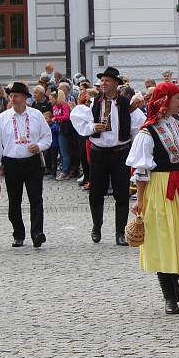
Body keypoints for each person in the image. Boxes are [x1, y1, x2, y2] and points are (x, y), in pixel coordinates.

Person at [127, 82, 179, 315]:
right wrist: (140, 200)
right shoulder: (147, 133)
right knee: (163, 239)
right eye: (178, 99)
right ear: (164, 101)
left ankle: (174, 279)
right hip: (159, 188)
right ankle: (169, 295)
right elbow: (142, 172)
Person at [70, 67, 146, 245]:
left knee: (121, 194)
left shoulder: (127, 105)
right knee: (96, 193)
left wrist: (135, 151)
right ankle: (97, 226)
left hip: (120, 153)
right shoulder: (93, 103)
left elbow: (138, 128)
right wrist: (92, 128)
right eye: (102, 81)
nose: (103, 83)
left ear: (117, 84)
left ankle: (120, 232)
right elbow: (78, 120)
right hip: (99, 152)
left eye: (107, 80)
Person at [0, 82, 52, 248]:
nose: (12, 99)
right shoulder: (3, 118)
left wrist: (38, 146)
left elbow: (47, 137)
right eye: (10, 96)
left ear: (25, 98)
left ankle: (37, 233)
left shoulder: (37, 115)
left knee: (36, 199)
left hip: (32, 163)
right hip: (11, 163)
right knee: (14, 201)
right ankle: (18, 234)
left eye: (15, 96)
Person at [51, 90, 72, 180]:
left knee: (64, 152)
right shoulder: (54, 107)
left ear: (57, 98)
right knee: (61, 152)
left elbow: (67, 116)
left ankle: (65, 171)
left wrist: (56, 118)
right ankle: (64, 169)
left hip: (64, 130)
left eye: (51, 98)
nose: (50, 100)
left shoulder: (64, 105)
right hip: (57, 130)